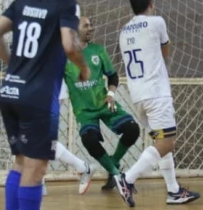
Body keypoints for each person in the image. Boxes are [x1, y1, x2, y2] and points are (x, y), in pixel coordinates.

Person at [0, 0, 91, 210]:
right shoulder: (66, 4)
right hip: (37, 95)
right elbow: (69, 45)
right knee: (37, 166)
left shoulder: (23, 1)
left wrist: (13, 66)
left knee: (20, 162)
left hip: (11, 90)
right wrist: (83, 67)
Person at [114, 0, 200, 206]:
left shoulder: (124, 30)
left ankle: (173, 191)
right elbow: (165, 52)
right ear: (151, 3)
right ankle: (127, 179)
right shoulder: (157, 22)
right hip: (156, 92)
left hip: (138, 95)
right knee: (167, 143)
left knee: (162, 141)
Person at [59, 15, 141, 194]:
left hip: (104, 104)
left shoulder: (98, 50)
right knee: (89, 140)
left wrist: (111, 94)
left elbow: (112, 75)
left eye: (91, 25)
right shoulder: (63, 56)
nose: (91, 28)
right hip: (84, 111)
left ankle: (113, 166)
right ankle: (117, 174)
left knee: (133, 129)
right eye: (86, 25)